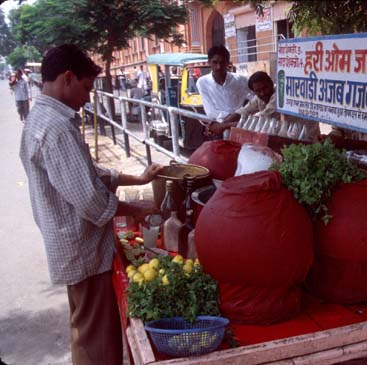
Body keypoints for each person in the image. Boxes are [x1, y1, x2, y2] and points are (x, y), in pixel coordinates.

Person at [19, 44, 163, 365]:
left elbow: (89, 173)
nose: (87, 97)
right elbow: (90, 200)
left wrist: (138, 180)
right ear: (67, 78)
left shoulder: (44, 118)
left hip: (73, 243)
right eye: (86, 88)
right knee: (95, 335)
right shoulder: (54, 127)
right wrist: (138, 210)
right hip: (80, 245)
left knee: (87, 326)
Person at [220, 70, 320, 141]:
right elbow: (243, 112)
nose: (262, 93)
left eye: (265, 88)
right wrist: (220, 124)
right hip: (292, 135)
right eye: (258, 91)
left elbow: (258, 120)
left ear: (271, 84)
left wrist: (223, 126)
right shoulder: (259, 98)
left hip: (308, 136)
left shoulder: (280, 96)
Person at [196, 45, 251, 138]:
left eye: (222, 62)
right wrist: (234, 117)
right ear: (209, 62)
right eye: (215, 62)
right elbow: (211, 111)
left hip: (240, 128)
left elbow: (256, 97)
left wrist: (246, 114)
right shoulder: (203, 82)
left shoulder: (240, 80)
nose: (218, 66)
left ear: (227, 63)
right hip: (218, 131)